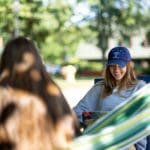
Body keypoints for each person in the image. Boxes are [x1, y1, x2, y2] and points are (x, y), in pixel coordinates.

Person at [0, 37, 78, 150]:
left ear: (5, 61)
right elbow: (73, 131)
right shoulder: (53, 90)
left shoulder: (3, 93)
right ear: (37, 60)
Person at [73, 46, 147, 150]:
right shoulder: (100, 88)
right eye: (112, 66)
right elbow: (77, 112)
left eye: (120, 65)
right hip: (101, 142)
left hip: (127, 143)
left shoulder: (140, 87)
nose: (116, 70)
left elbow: (145, 119)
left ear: (128, 66)